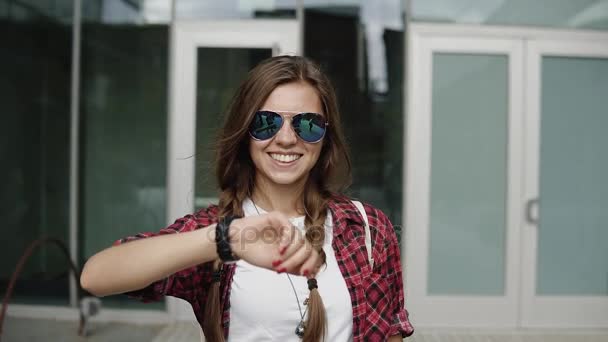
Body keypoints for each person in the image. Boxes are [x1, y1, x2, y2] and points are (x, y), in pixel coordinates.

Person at [80, 55, 414, 342]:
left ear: (326, 138)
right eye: (266, 123)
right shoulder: (216, 231)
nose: (286, 138)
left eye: (308, 125)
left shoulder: (366, 228)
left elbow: (390, 332)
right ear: (244, 134)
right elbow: (96, 276)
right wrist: (227, 239)